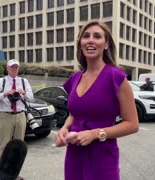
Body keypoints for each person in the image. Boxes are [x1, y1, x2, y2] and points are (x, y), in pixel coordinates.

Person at [54, 20, 139, 180]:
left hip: (103, 156)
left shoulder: (116, 77)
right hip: (74, 154)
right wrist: (64, 129)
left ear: (106, 44)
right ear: (81, 43)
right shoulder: (74, 79)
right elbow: (74, 114)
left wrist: (95, 134)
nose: (91, 40)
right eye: (86, 36)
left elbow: (132, 125)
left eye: (97, 36)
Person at [0, 59, 34, 156]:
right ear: (7, 68)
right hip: (6, 115)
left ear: (18, 69)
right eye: (12, 67)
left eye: (16, 67)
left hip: (21, 115)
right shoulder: (1, 81)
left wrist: (24, 92)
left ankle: (15, 165)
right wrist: (5, 94)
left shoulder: (23, 81)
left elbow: (31, 98)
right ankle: (2, 167)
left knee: (19, 143)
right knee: (4, 143)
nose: (14, 69)